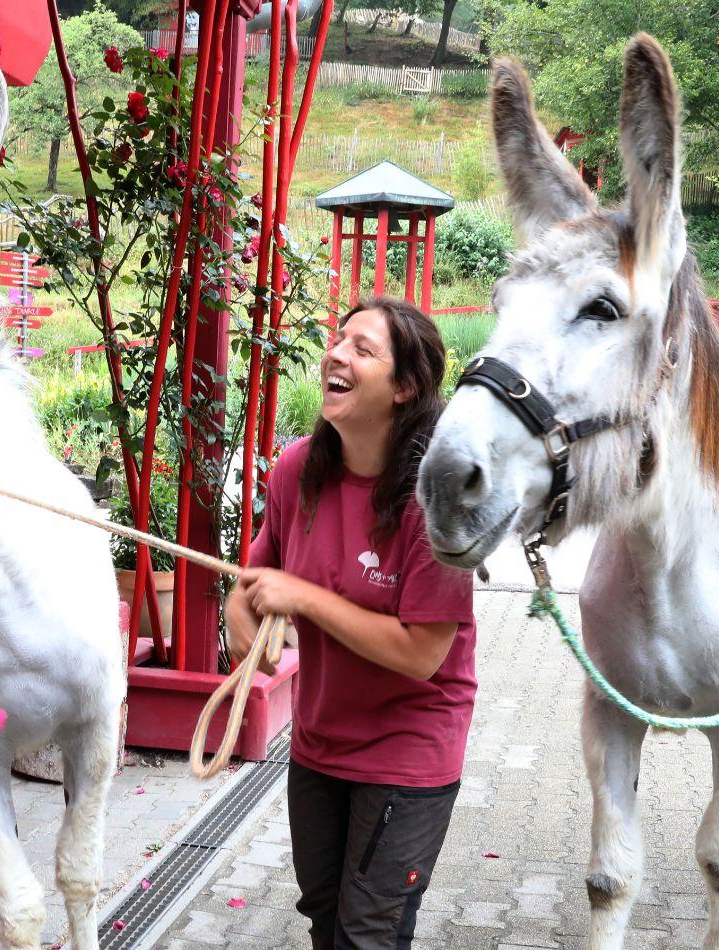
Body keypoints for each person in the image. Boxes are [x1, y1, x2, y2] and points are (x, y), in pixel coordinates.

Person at [228, 296, 476, 949]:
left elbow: (422, 652)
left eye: (362, 348)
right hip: (319, 742)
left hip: (407, 752)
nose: (336, 353)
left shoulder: (435, 496)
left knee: (369, 932)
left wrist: (303, 600)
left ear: (404, 388)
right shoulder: (296, 471)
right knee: (325, 915)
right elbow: (255, 581)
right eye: (339, 340)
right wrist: (241, 616)